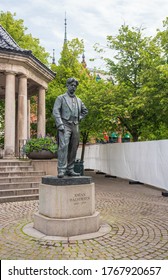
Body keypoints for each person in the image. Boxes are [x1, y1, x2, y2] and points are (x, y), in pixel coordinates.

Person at [52, 77, 88, 178]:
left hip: (75, 125)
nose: (73, 87)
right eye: (71, 85)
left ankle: (70, 169)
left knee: (74, 147)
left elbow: (85, 111)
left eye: (75, 86)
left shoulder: (79, 100)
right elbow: (56, 111)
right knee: (63, 146)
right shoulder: (61, 98)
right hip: (65, 124)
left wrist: (79, 117)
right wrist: (60, 124)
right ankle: (61, 169)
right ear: (67, 86)